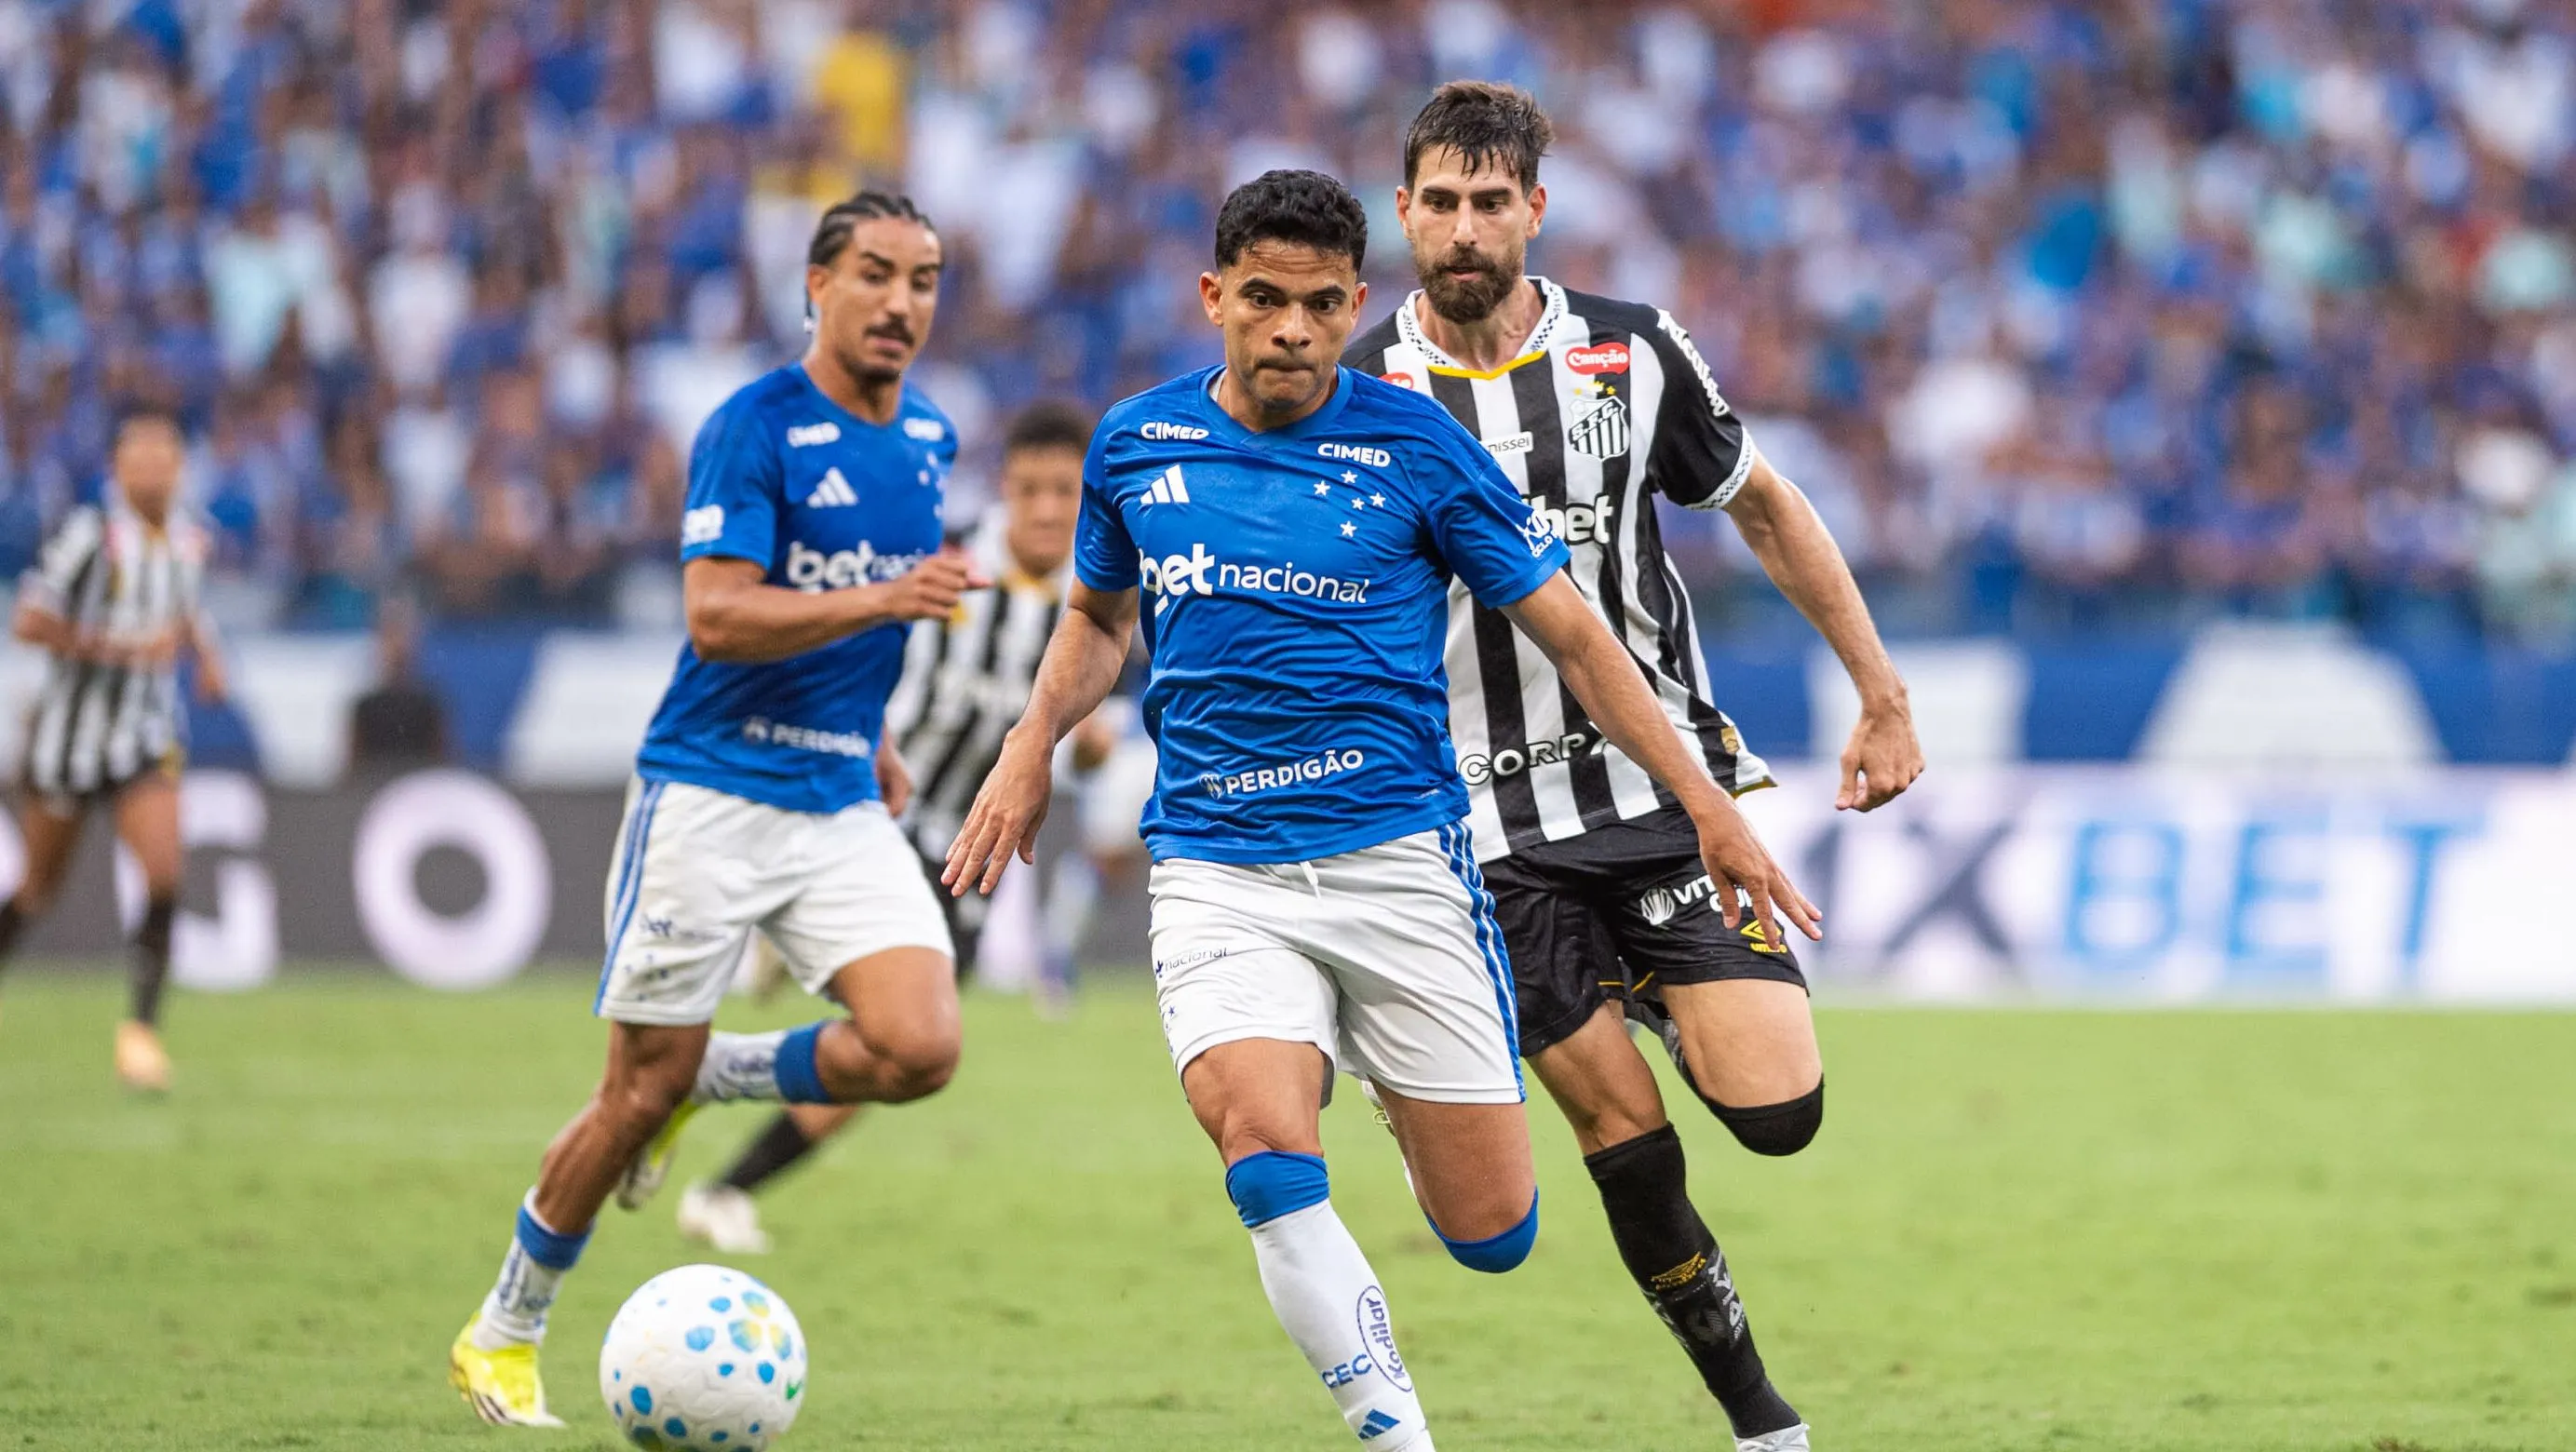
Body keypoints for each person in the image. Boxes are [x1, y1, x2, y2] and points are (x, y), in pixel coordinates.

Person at [943, 168, 1820, 1452]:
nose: (1290, 330)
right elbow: (1094, 615)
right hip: (1220, 867)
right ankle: (1395, 1432)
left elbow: (1577, 639)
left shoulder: (1418, 447)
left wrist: (1707, 806)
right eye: (1262, 299)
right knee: (1261, 1148)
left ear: (1353, 305)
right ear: (1213, 297)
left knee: (1492, 1233)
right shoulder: (1135, 443)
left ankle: (1384, 1075)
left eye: (1318, 306)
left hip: (1403, 863)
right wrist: (1032, 743)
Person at [1344, 82, 1926, 1452]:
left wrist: (1880, 690)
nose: (1466, 229)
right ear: (1404, 213)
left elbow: (1764, 508)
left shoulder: (1632, 351)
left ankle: (1642, 982)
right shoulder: (1355, 391)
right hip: (1483, 831)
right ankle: (1760, 1419)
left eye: (1492, 202)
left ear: (1535, 210)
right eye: (1441, 203)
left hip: (1666, 801)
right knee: (1622, 1130)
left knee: (1779, 1114)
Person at [446, 191, 986, 1427]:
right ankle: (502, 1332)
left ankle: (714, 1074)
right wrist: (887, 599)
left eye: (922, 280)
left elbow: (863, 616)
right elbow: (719, 615)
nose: (900, 302)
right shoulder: (753, 426)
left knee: (920, 1047)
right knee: (631, 1094)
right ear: (816, 285)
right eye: (873, 273)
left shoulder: (930, 437)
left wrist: (876, 735)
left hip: (837, 794)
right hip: (712, 791)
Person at [676, 399, 1116, 1256]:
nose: (1045, 510)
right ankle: (779, 938)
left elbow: (1090, 748)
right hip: (881, 815)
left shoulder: (1096, 599)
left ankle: (724, 1181)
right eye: (1029, 489)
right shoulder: (942, 560)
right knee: (903, 1034)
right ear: (1003, 489)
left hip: (972, 853)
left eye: (1064, 492)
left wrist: (1090, 746)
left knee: (901, 1058)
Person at [0, 406, 227, 1088]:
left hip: (144, 736)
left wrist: (207, 656)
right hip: (68, 741)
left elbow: (183, 608)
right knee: (37, 890)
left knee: (164, 875)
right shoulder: (89, 536)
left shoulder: (190, 538)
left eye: (163, 459)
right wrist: (118, 648)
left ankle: (141, 1035)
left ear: (180, 469)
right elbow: (29, 620)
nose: (152, 472)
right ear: (117, 470)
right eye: (139, 459)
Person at [345, 595, 450, 773]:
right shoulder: (365, 707)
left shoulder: (430, 704)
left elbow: (441, 760)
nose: (397, 647)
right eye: (390, 636)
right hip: (373, 782)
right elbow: (353, 764)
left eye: (403, 635)